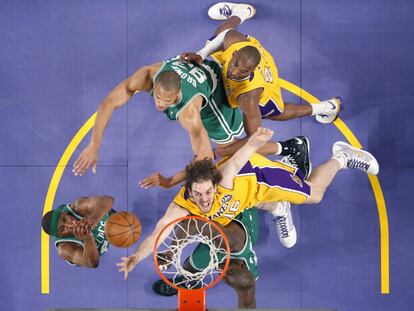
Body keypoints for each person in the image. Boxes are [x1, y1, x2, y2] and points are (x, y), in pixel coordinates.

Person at [117, 127, 379, 294]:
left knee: (315, 195)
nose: (204, 199)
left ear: (215, 185)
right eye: (198, 194)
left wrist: (255, 141)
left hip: (261, 178)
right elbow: (158, 235)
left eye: (208, 192)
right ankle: (279, 208)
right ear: (189, 190)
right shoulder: (182, 203)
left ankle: (341, 157)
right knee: (240, 206)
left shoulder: (225, 179)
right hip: (244, 200)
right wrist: (135, 258)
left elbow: (241, 157)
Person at [71, 55, 310, 187]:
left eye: (166, 102)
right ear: (153, 84)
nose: (159, 105)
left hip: (220, 109)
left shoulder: (188, 113)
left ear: (177, 96)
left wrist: (171, 180)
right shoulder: (147, 74)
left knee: (226, 151)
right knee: (259, 114)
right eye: (157, 98)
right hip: (211, 67)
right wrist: (94, 145)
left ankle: (291, 146)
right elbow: (108, 103)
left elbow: (204, 159)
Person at [180, 2, 342, 155]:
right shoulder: (236, 43)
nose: (234, 72)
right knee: (217, 35)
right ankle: (241, 12)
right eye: (235, 64)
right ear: (235, 54)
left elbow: (253, 139)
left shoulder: (248, 99)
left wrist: (216, 153)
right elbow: (224, 36)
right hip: (254, 56)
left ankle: (327, 107)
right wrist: (201, 54)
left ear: (250, 70)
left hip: (264, 84)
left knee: (276, 112)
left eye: (242, 71)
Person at [153, 208, 259, 308]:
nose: (222, 272)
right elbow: (195, 223)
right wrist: (172, 252)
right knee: (190, 264)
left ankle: (189, 283)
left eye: (226, 280)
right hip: (241, 212)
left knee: (193, 265)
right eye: (230, 271)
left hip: (225, 244)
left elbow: (248, 305)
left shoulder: (246, 283)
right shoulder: (231, 242)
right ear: (242, 265)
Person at [41, 195, 115, 268]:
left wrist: (95, 218)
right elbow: (92, 263)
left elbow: (108, 200)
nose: (68, 225)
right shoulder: (65, 249)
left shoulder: (79, 207)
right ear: (60, 235)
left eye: (65, 219)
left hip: (115, 221)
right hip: (110, 249)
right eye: (62, 229)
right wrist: (88, 239)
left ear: (64, 213)